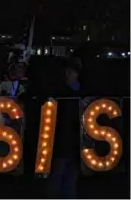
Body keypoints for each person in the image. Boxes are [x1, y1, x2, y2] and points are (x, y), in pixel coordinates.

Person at [46, 57, 82, 198]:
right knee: (58, 173)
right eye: (67, 71)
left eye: (72, 71)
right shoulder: (59, 89)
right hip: (62, 138)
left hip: (72, 138)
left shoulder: (78, 90)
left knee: (69, 175)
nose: (69, 74)